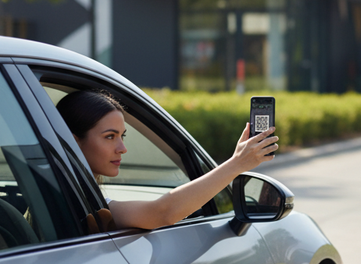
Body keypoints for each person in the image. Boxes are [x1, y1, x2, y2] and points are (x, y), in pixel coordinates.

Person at [56, 89, 278, 231]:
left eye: (121, 136)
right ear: (74, 142)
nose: (122, 148)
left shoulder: (65, 194)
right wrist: (237, 164)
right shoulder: (70, 202)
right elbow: (163, 213)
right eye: (110, 137)